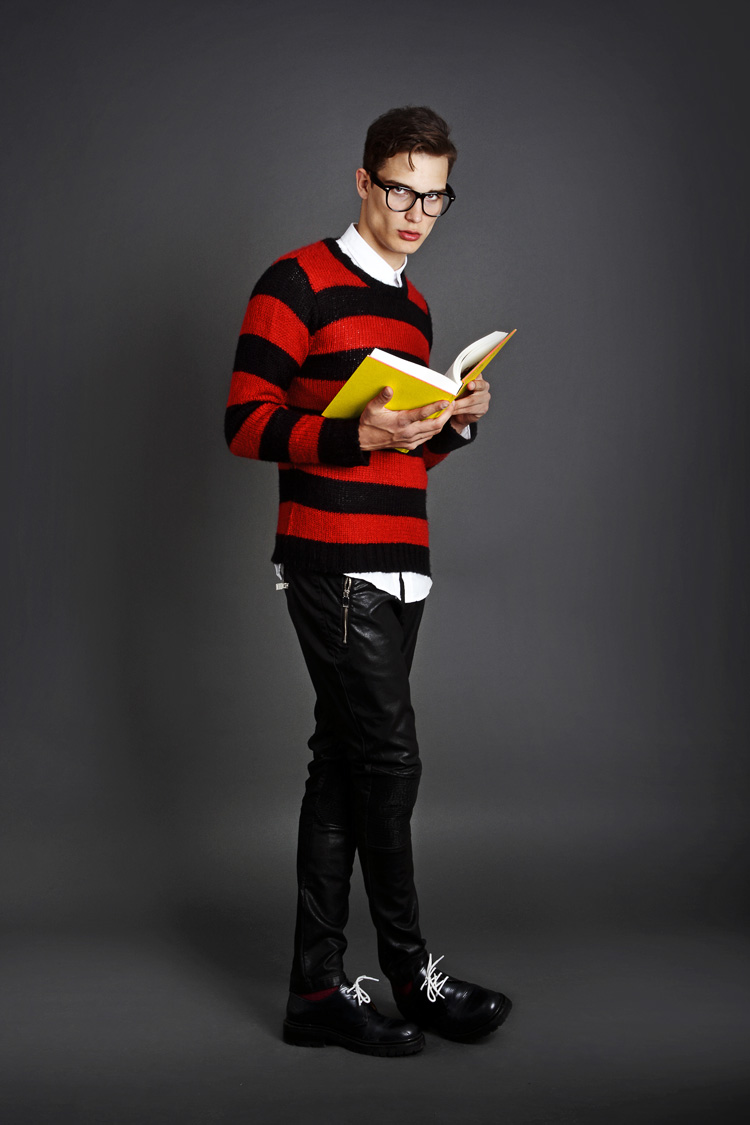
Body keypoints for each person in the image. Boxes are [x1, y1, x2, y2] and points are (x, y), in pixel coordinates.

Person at [225, 106, 511, 1056]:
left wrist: (451, 422)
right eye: (400, 191)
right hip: (331, 559)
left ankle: (315, 991)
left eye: (435, 197)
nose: (417, 213)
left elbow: (399, 457)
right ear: (363, 180)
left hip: (401, 561)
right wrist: (354, 432)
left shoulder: (413, 308)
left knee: (345, 764)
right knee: (390, 761)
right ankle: (411, 973)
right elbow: (244, 421)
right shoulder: (295, 282)